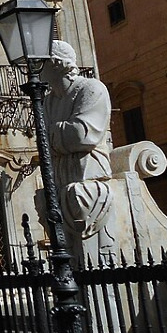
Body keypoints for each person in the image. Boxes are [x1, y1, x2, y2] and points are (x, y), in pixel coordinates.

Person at [40, 40, 117, 260]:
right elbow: (43, 140)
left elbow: (83, 135)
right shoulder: (48, 102)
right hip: (61, 181)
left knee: (96, 262)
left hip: (89, 180)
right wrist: (60, 133)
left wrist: (52, 134)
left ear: (55, 64)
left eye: (40, 62)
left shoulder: (91, 88)